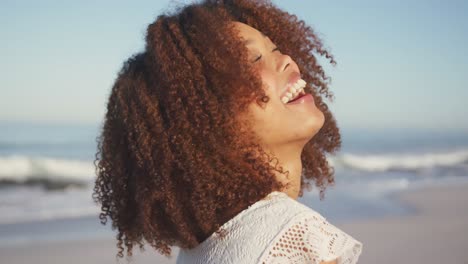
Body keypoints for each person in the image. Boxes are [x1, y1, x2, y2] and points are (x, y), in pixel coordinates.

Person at [92, 0, 363, 263]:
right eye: (254, 58)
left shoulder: (200, 251)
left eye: (276, 48)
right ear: (208, 121)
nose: (287, 60)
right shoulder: (296, 239)